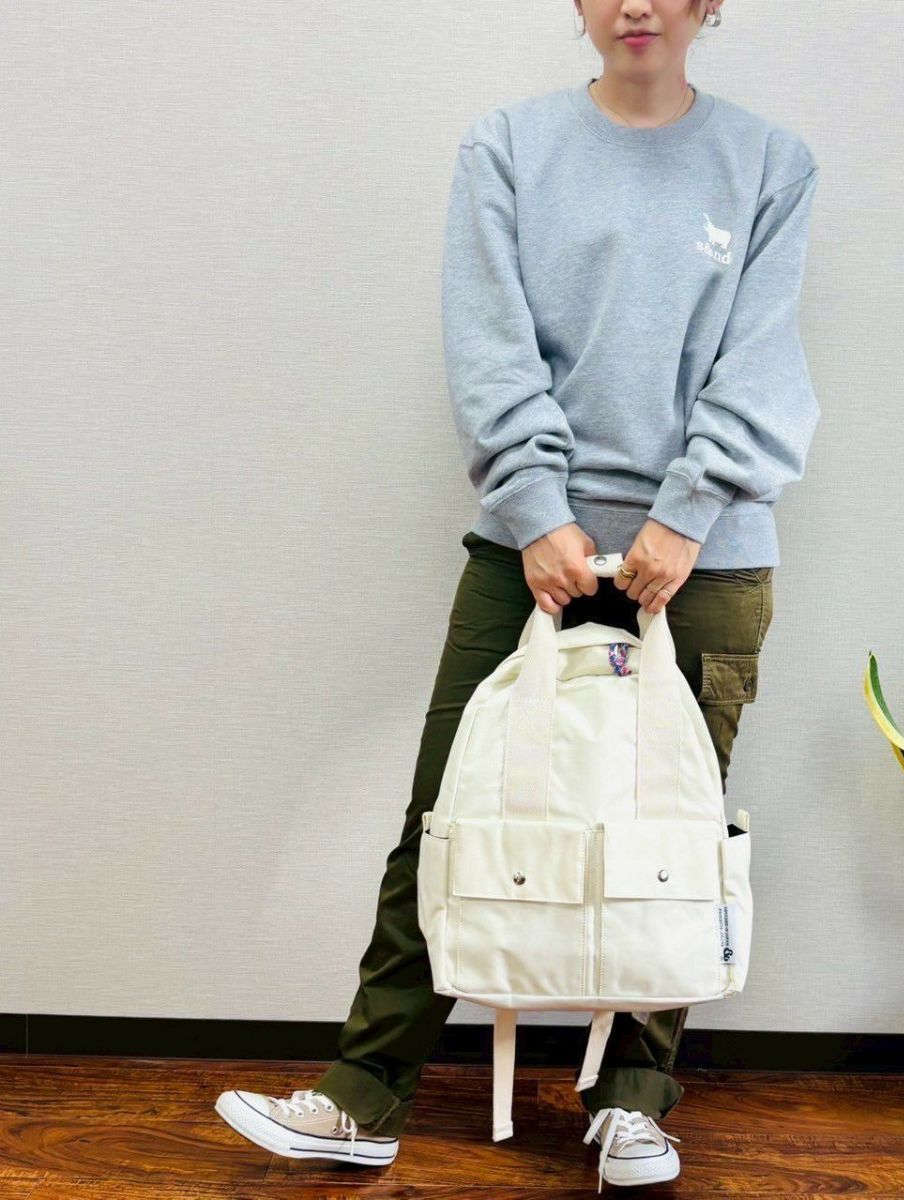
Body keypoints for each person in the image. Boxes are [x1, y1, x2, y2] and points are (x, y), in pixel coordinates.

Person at [215, 0, 821, 1190]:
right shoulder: (509, 145)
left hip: (705, 559)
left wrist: (684, 515)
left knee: (670, 839)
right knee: (450, 816)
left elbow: (761, 355)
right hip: (525, 553)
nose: (635, 5)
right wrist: (539, 513)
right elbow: (489, 341)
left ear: (709, 4)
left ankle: (634, 1105)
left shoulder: (769, 162)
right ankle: (362, 1097)